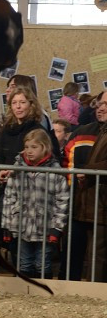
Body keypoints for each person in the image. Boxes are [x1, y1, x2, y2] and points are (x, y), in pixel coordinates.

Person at [1, 128, 69, 279]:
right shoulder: (17, 170)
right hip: (22, 225)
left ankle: (43, 293)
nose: (29, 151)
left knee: (42, 263)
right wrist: (7, 226)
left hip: (45, 227)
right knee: (24, 262)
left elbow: (62, 200)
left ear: (44, 147)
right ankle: (25, 293)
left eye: (34, 147)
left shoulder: (56, 171)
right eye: (26, 147)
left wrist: (57, 228)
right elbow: (9, 198)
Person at [62, 91, 107, 281]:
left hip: (102, 202)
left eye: (106, 104)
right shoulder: (100, 130)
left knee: (99, 255)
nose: (101, 107)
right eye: (100, 103)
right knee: (92, 253)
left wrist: (87, 170)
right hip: (90, 201)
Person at [0, 85, 52, 183]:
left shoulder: (38, 131)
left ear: (31, 105)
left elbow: (45, 160)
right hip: (7, 185)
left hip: (30, 184)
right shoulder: (7, 129)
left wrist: (15, 171)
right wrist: (0, 171)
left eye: (22, 102)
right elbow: (0, 155)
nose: (18, 106)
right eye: (14, 103)